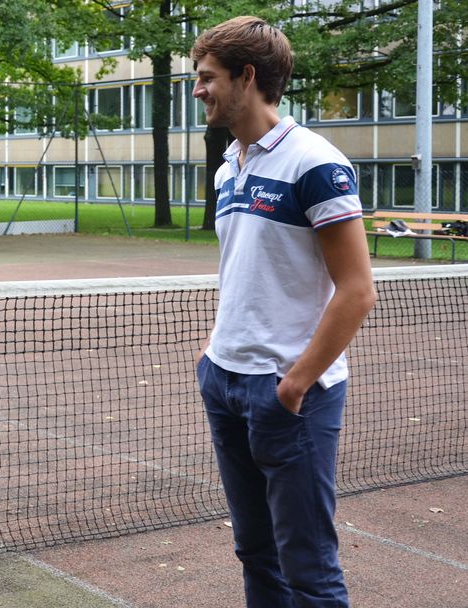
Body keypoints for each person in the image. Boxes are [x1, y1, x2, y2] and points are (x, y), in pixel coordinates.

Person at [190, 16, 376, 608]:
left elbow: (357, 289)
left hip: (287, 393)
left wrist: (295, 383)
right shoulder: (228, 167)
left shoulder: (314, 163)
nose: (198, 90)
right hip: (225, 381)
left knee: (309, 568)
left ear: (247, 78)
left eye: (207, 78)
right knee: (256, 553)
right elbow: (247, 270)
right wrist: (215, 355)